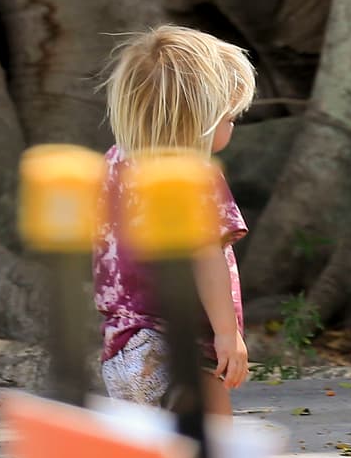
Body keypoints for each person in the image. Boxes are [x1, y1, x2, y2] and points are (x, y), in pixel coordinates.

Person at [93, 26, 255, 414]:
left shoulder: (114, 163)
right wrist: (227, 335)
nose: (232, 127)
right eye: (229, 118)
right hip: (176, 343)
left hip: (123, 346)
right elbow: (205, 257)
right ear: (197, 118)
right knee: (212, 456)